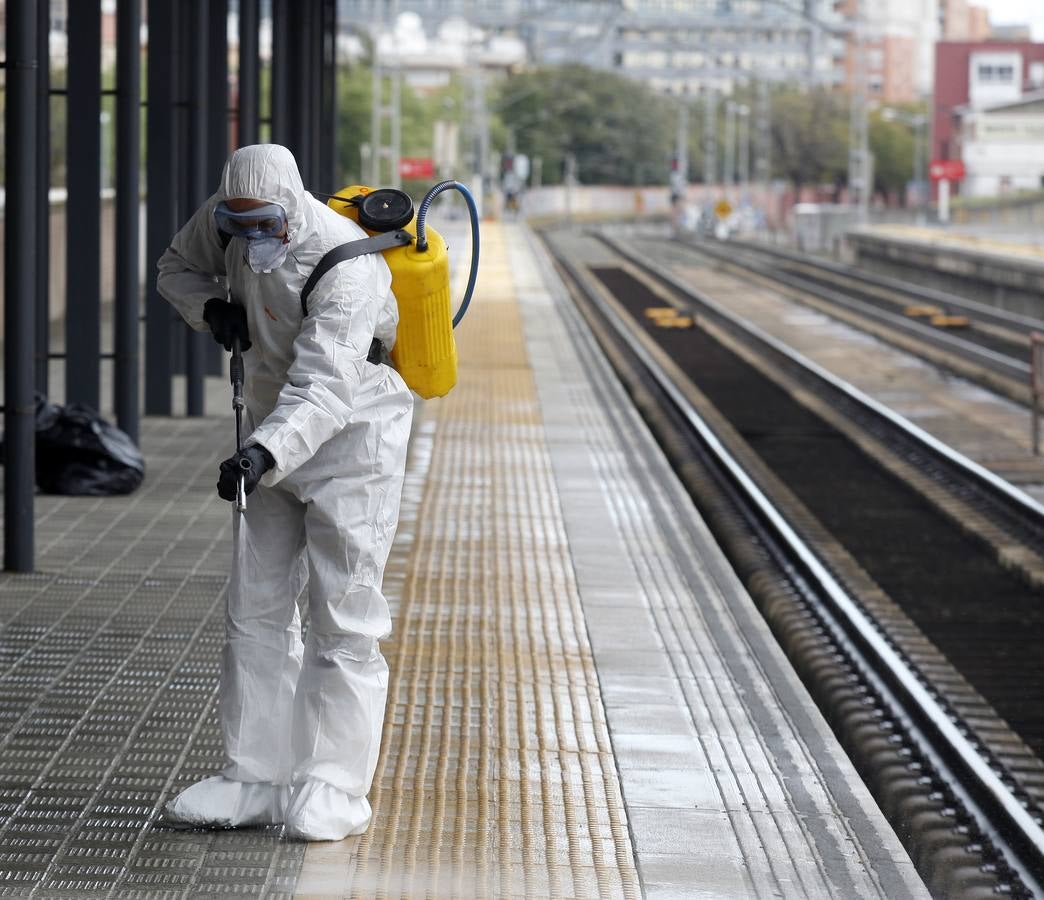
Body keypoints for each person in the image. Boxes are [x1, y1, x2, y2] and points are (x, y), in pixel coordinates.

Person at [156, 144, 414, 841]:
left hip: (354, 438)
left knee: (345, 615)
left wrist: (263, 453)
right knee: (255, 608)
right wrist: (211, 308)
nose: (251, 236)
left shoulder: (350, 266)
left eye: (265, 223)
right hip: (269, 434)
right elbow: (175, 268)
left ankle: (333, 784)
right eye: (238, 226)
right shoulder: (226, 216)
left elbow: (326, 388)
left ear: (292, 207)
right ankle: (254, 777)